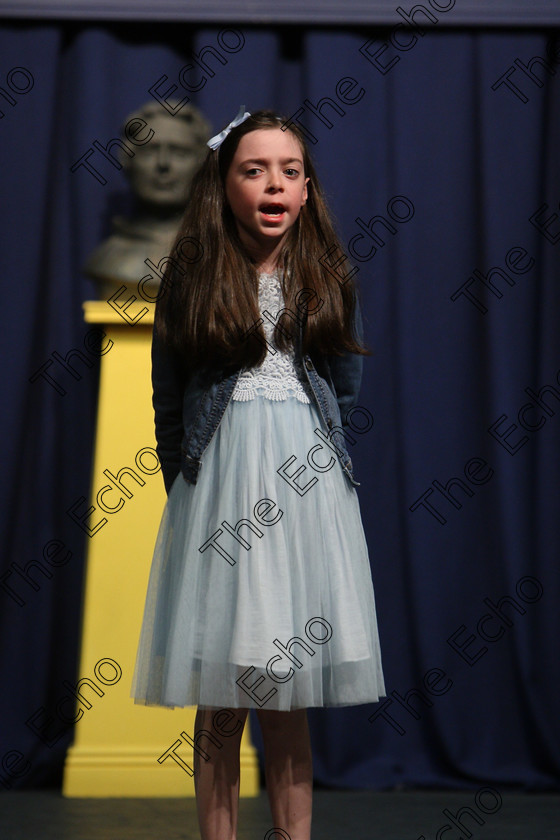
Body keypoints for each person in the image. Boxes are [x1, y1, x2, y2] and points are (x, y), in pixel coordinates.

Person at [131, 105, 386, 840]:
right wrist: (189, 487)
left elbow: (342, 387)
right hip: (220, 490)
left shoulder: (326, 275)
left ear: (307, 190)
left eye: (290, 171)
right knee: (222, 695)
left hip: (302, 491)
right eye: (255, 169)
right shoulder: (193, 277)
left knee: (285, 692)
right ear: (224, 184)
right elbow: (168, 395)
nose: (274, 184)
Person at [84, 101, 210, 300]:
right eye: (150, 151)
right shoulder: (109, 257)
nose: (163, 164)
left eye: (179, 153)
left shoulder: (216, 257)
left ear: (202, 165)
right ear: (128, 160)